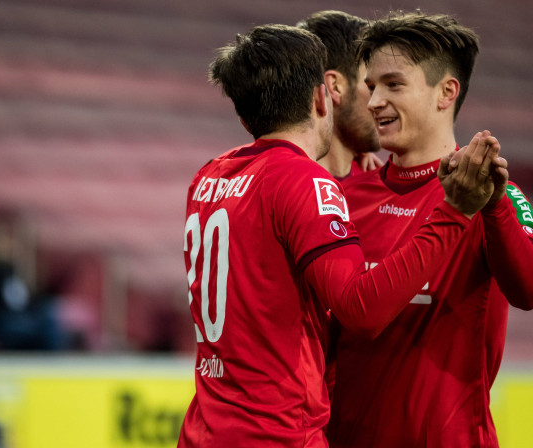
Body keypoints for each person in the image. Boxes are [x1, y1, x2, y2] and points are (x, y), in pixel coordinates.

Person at [179, 23, 505, 447]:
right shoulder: (304, 182)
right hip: (277, 433)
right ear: (322, 97)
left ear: (244, 115)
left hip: (205, 428)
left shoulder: (209, 175)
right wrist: (454, 212)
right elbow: (360, 309)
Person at [326, 12, 533, 447]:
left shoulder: (495, 197)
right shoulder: (344, 196)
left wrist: (492, 202)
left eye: (393, 85)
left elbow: (530, 291)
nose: (373, 102)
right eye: (371, 86)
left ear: (446, 92)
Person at [297, 10, 383, 181]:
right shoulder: (281, 185)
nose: (383, 100)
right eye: (372, 85)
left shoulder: (378, 182)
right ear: (335, 86)